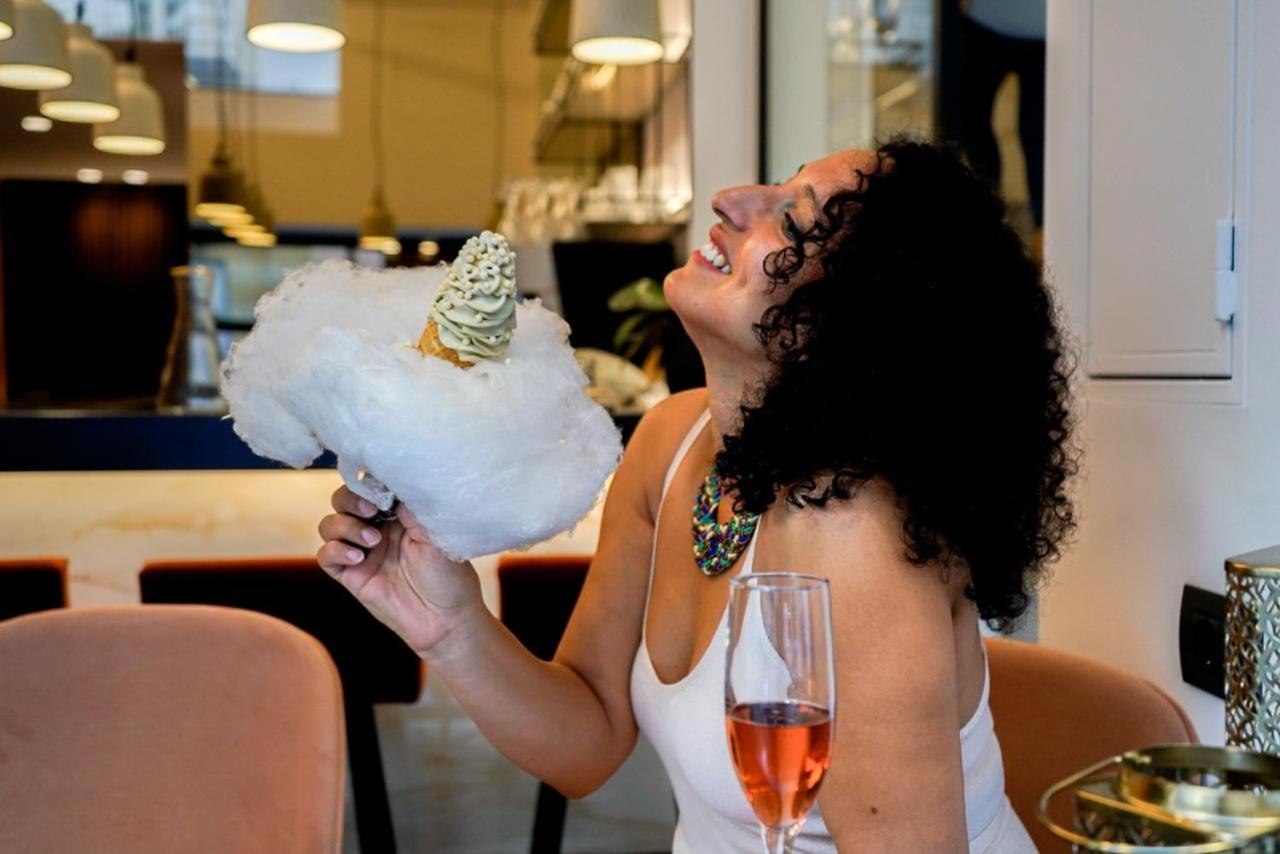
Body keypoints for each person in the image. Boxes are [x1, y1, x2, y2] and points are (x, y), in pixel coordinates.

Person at [317, 139, 1076, 852]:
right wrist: (449, 626)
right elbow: (588, 739)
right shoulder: (672, 441)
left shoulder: (856, 540)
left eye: (792, 220)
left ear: (846, 326)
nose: (732, 200)